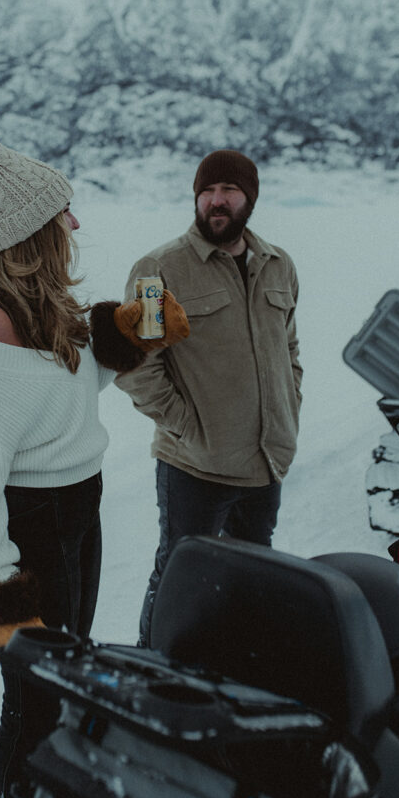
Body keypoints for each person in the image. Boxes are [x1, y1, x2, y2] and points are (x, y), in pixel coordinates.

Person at [0, 110, 188, 798]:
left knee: (65, 677)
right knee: (33, 697)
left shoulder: (41, 306)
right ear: (31, 233)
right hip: (22, 520)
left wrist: (136, 326)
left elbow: (69, 393)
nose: (75, 224)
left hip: (76, 503)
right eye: (61, 214)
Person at [115, 148, 302, 647]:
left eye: (229, 191)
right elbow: (136, 364)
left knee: (253, 573)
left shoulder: (278, 265)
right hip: (195, 467)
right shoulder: (160, 271)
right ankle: (151, 672)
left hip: (265, 461)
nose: (217, 201)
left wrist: (289, 409)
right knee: (179, 576)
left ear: (250, 198)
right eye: (207, 191)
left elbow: (289, 347)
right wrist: (187, 427)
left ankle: (232, 664)